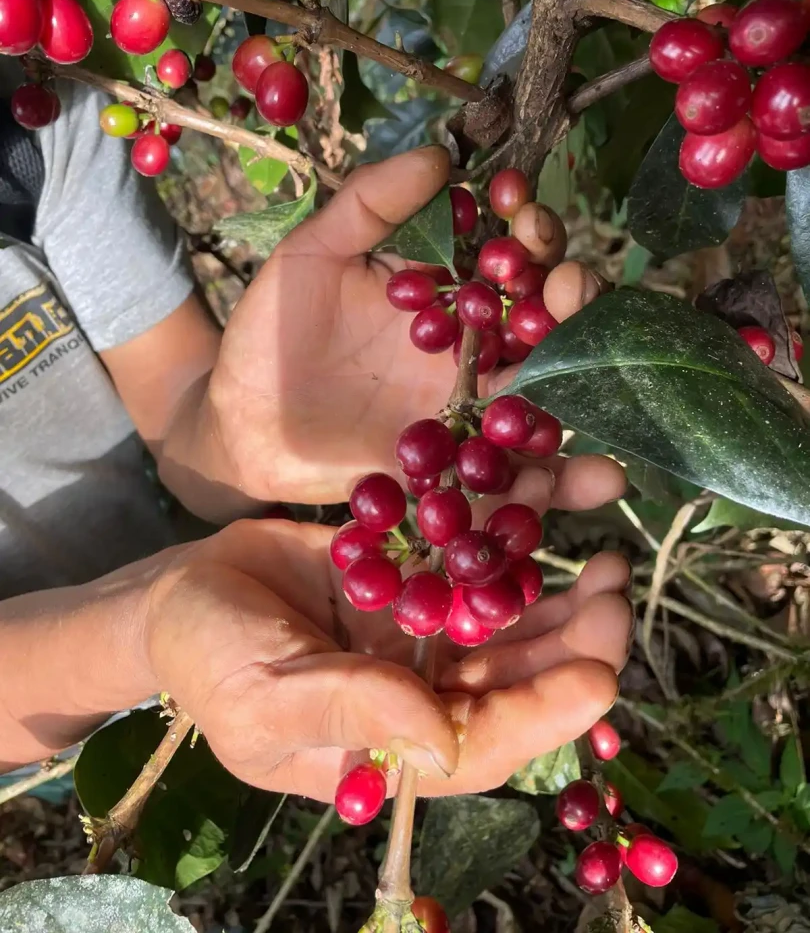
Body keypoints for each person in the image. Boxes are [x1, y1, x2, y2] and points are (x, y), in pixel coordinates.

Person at [0, 70, 630, 799]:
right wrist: (143, 633)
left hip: (243, 599)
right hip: (48, 734)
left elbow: (175, 416)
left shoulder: (31, 124)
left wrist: (229, 441)